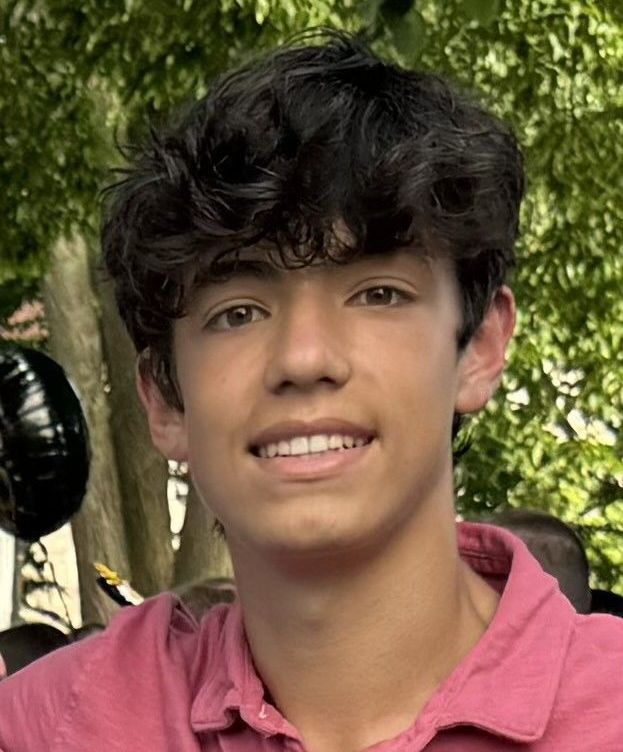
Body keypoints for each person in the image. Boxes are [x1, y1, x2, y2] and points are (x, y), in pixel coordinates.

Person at [1, 30, 622, 752]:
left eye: (378, 294)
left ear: (479, 347)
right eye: (238, 313)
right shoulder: (49, 726)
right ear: (164, 401)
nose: (303, 356)